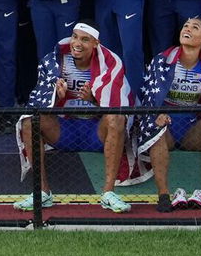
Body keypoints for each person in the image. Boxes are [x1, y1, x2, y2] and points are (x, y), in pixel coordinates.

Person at [14, 23, 135, 212]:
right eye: (75, 36)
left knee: (117, 118)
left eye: (85, 39)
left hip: (96, 132)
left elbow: (119, 105)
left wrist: (94, 100)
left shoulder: (110, 63)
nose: (77, 43)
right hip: (65, 130)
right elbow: (40, 100)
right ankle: (42, 193)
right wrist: (56, 98)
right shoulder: (56, 60)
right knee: (30, 120)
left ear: (96, 43)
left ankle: (108, 193)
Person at [132, 17, 201, 211]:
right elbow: (147, 98)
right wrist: (158, 115)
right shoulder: (163, 60)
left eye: (194, 27)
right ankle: (163, 196)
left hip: (190, 131)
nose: (187, 29)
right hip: (166, 128)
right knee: (157, 126)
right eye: (185, 25)